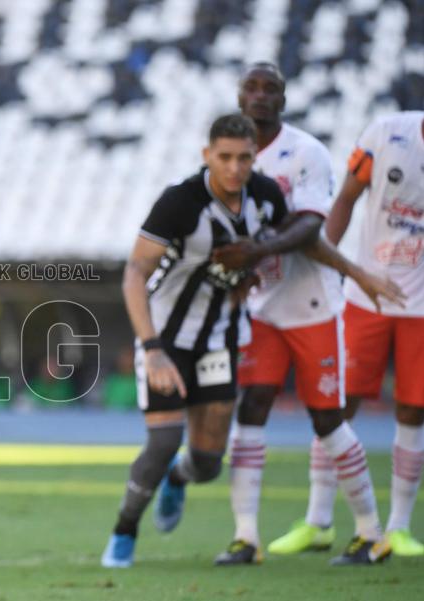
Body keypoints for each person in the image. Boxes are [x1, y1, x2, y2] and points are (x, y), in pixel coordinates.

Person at [216, 63, 402, 566]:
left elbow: (308, 230)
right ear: (238, 96)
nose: (259, 96)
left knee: (326, 417)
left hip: (314, 305)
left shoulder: (306, 153)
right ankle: (246, 537)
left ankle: (371, 532)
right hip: (263, 307)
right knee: (251, 406)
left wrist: (254, 252)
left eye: (269, 89)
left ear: (283, 98)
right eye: (250, 88)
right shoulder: (231, 155)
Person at [102, 113, 303, 568]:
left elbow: (287, 243)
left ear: (256, 157)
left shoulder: (267, 199)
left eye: (244, 158)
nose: (234, 167)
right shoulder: (180, 202)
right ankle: (125, 529)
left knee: (209, 463)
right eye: (225, 157)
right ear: (207, 156)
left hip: (219, 340)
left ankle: (179, 478)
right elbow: (135, 274)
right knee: (162, 441)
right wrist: (151, 349)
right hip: (166, 338)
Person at [272, 110, 424, 558]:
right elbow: (345, 200)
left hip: (422, 306)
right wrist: (325, 261)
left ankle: (398, 526)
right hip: (365, 296)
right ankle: (318, 520)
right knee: (338, 405)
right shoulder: (387, 132)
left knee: (414, 410)